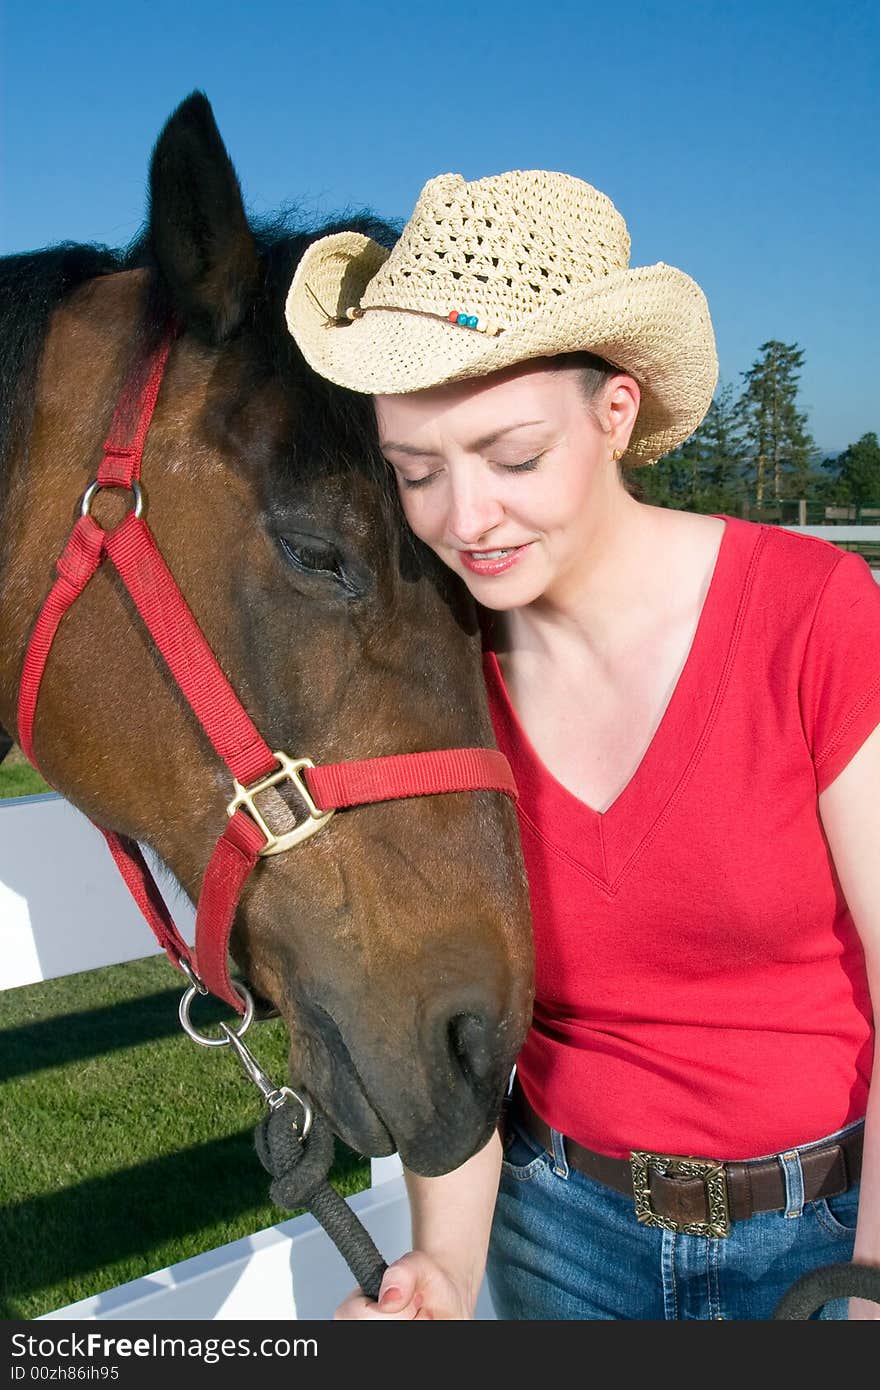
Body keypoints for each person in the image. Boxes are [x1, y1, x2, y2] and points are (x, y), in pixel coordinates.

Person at [284, 170, 880, 1320]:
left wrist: (869, 1292)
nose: (464, 519)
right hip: (558, 1237)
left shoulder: (815, 613)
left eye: (511, 458)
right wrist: (447, 1270)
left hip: (821, 1238)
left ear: (615, 414)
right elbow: (448, 1014)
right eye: (416, 471)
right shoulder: (435, 672)